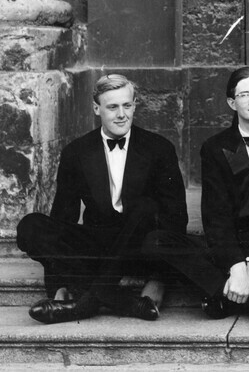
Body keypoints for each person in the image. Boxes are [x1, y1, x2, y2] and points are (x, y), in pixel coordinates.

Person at [144, 67, 249, 326]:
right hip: (229, 244)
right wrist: (236, 265)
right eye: (245, 94)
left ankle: (223, 296)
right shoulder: (214, 147)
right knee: (156, 241)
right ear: (231, 102)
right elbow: (215, 214)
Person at [17, 74, 188, 324]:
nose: (121, 114)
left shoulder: (159, 148)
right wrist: (58, 283)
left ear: (134, 105)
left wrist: (159, 278)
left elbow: (176, 218)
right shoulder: (76, 152)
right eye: (112, 107)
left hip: (141, 248)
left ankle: (87, 303)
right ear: (97, 109)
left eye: (127, 105)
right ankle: (121, 300)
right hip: (98, 244)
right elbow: (63, 218)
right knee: (31, 225)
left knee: (146, 206)